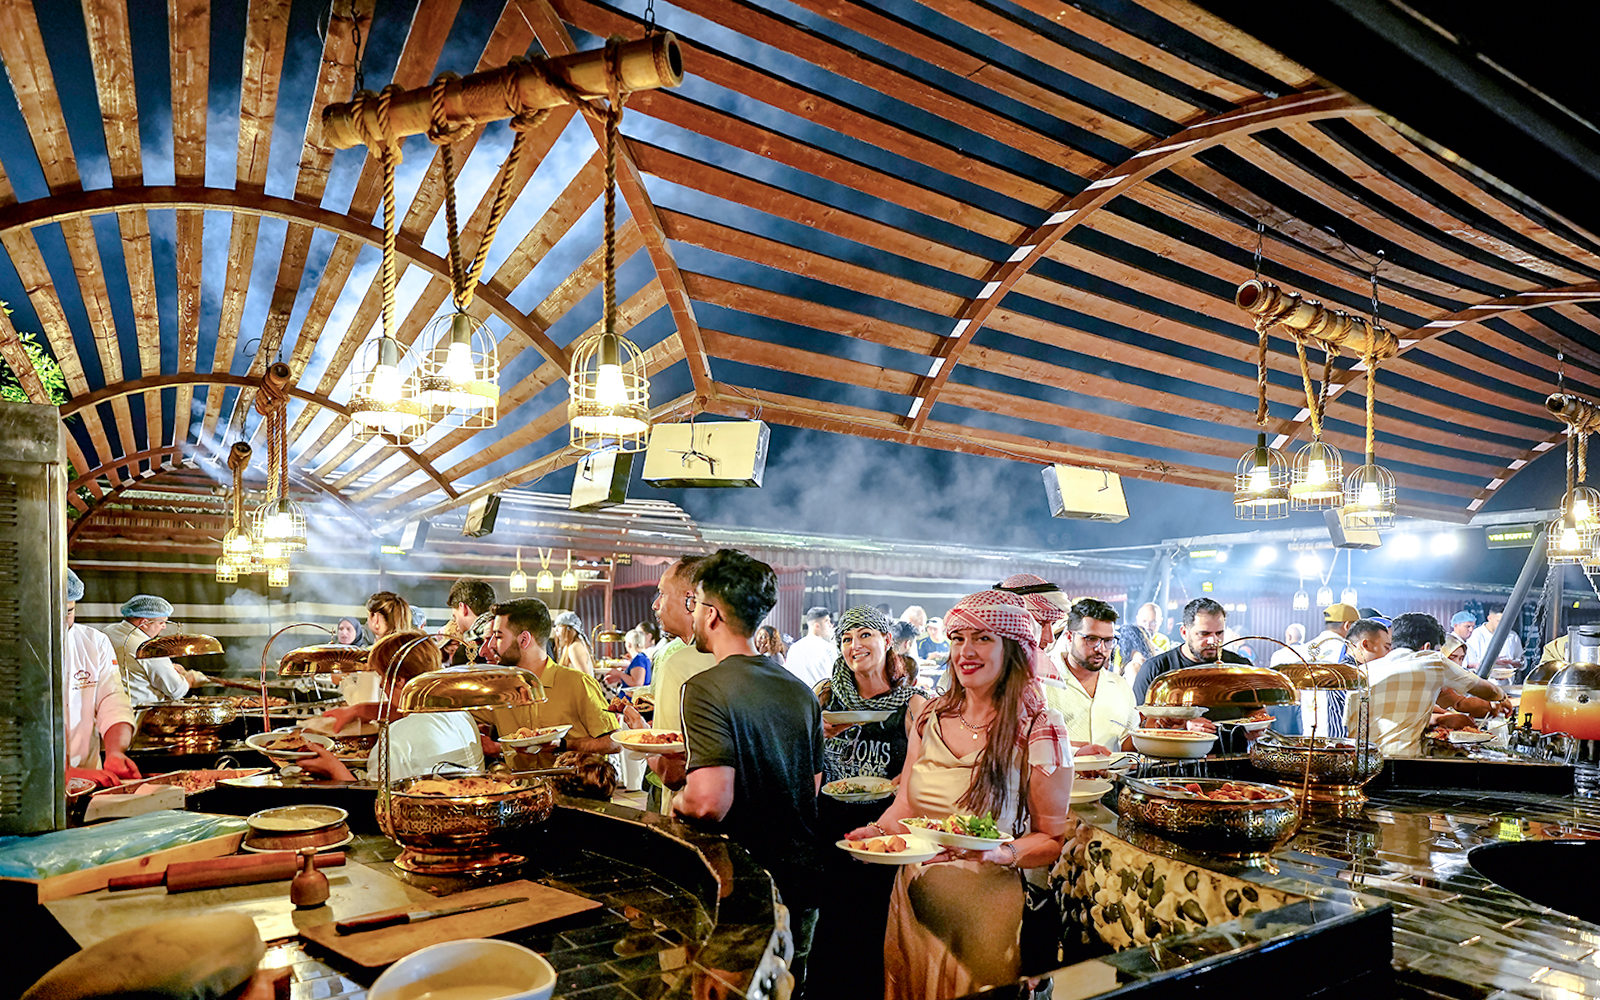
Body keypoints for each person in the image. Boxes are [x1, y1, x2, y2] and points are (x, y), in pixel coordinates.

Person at [848, 590, 1072, 998]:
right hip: (914, 903)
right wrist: (875, 832)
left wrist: (998, 852)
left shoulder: (1039, 726)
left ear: (1014, 648)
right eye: (957, 638)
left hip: (986, 912)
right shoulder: (931, 716)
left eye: (983, 638)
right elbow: (907, 807)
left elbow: (1051, 839)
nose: (966, 650)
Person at [649, 549, 825, 993]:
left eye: (696, 605)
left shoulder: (705, 687)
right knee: (790, 989)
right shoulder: (800, 690)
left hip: (745, 889)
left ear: (711, 614)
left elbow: (709, 801)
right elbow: (814, 785)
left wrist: (677, 799)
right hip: (802, 883)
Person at [809, 606, 928, 1000]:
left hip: (885, 835)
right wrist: (814, 731)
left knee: (877, 929)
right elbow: (802, 757)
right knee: (830, 930)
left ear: (886, 640)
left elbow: (928, 769)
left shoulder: (913, 705)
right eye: (845, 638)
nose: (854, 645)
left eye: (864, 635)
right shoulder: (824, 696)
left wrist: (905, 780)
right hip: (831, 829)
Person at [301, 631, 484, 783]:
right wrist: (358, 710)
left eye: (382, 676)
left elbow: (376, 807)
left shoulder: (395, 739)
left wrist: (333, 768)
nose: (381, 685)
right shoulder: (461, 714)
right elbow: (412, 714)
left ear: (398, 680)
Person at [478, 599, 619, 766]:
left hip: (570, 789)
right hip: (520, 789)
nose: (491, 645)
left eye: (498, 636)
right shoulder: (500, 689)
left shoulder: (577, 683)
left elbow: (614, 743)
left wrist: (565, 745)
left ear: (524, 640)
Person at [1355, 612, 1512, 756]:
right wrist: (1501, 697)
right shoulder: (1432, 661)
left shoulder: (1364, 670)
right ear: (1427, 647)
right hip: (1402, 762)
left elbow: (1449, 699)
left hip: (1361, 763)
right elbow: (1485, 689)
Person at [62, 570, 139, 786]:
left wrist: (115, 753)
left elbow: (112, 700)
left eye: (68, 611)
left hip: (89, 779)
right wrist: (60, 774)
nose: (60, 621)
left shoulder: (94, 642)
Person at [1045, 599, 1139, 755]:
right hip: (1061, 778)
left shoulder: (1120, 686)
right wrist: (1075, 751)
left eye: (1108, 641)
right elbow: (1027, 742)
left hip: (1112, 778)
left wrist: (1157, 726)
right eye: (1091, 639)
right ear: (1069, 637)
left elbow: (1128, 742)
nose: (1100, 649)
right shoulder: (1042, 682)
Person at [1131, 597, 1245, 704]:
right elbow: (1137, 719)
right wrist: (1182, 724)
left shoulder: (1240, 668)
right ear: (1184, 633)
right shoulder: (1155, 669)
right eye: (1204, 633)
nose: (1213, 641)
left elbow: (1257, 714)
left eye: (1219, 633)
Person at [102, 595, 209, 704]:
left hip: (110, 708)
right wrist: (190, 678)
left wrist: (170, 668)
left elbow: (133, 667)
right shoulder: (148, 648)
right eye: (161, 622)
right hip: (140, 713)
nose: (164, 627)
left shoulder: (108, 632)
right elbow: (176, 690)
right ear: (144, 622)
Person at [1301, 604, 1359, 737]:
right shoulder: (1346, 650)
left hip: (1309, 726)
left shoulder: (1305, 648)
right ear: (1347, 626)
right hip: (1335, 729)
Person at [443, 577, 496, 665]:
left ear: (463, 608)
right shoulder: (505, 638)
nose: (455, 623)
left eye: (455, 617)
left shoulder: (466, 651)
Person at [785, 607, 837, 688]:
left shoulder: (794, 648)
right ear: (817, 625)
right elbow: (835, 678)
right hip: (819, 697)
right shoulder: (828, 648)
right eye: (827, 621)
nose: (831, 625)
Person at [1466, 605, 1524, 678]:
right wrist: (1492, 662)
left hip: (1508, 684)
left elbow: (1522, 661)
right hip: (1483, 683)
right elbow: (1470, 664)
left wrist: (1515, 663)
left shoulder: (1512, 636)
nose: (1502, 624)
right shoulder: (1475, 635)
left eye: (1505, 621)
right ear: (1489, 618)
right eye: (1498, 621)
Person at [551, 611, 595, 676]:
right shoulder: (570, 646)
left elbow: (586, 679)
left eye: (560, 626)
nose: (556, 629)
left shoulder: (575, 647)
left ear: (569, 629)